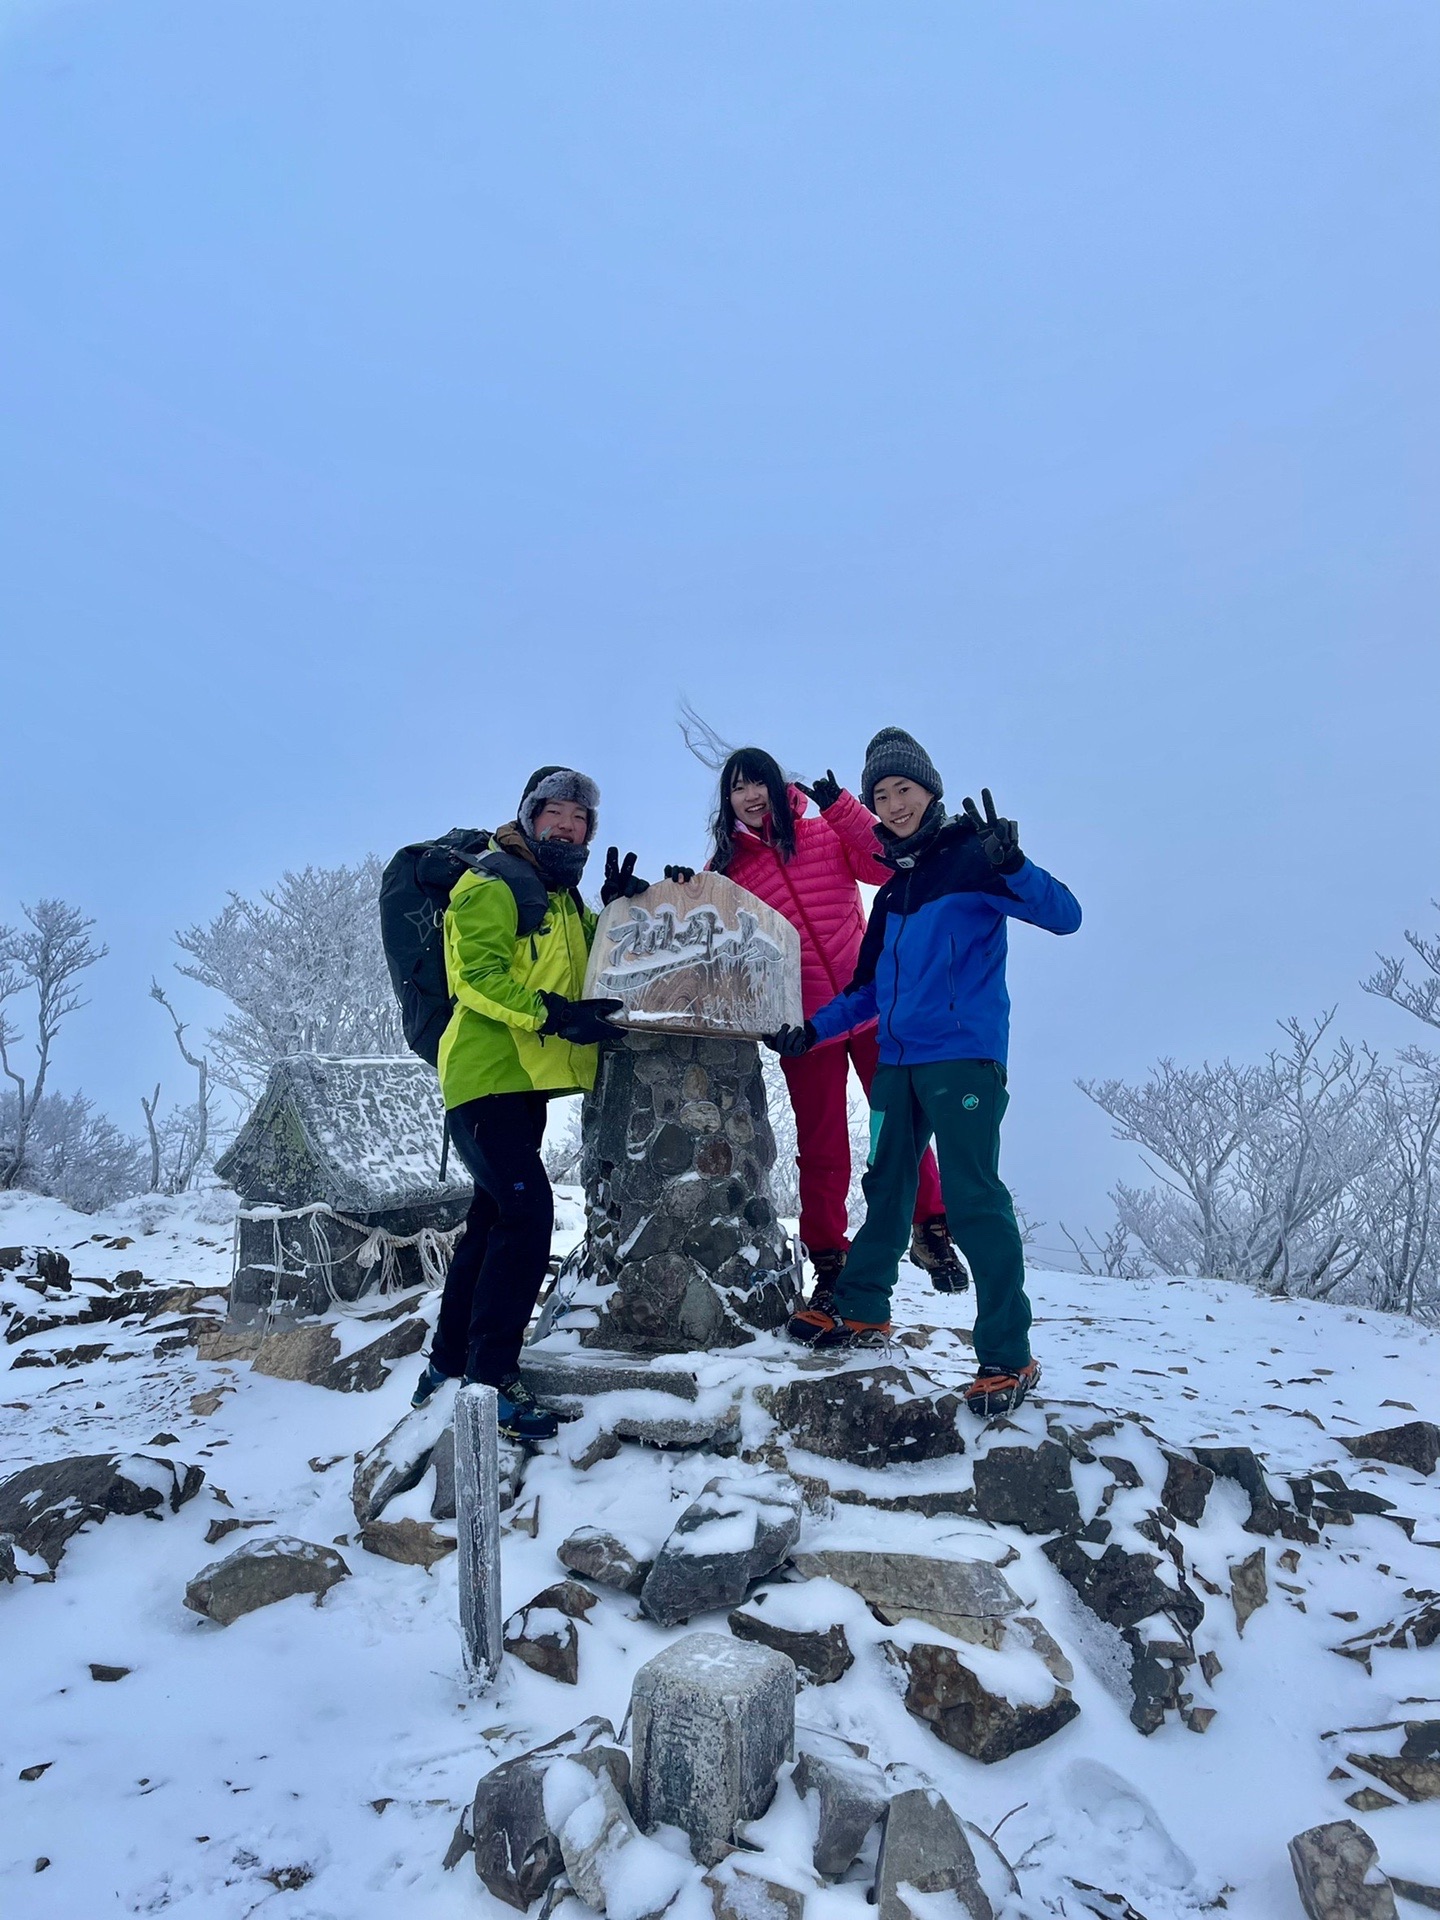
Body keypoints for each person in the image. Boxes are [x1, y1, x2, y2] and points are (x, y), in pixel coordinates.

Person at [766, 727, 1081, 1417]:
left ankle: (1007, 1353)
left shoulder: (974, 857)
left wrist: (1016, 864)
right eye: (880, 795)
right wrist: (809, 1031)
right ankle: (863, 1310)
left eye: (902, 789)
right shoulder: (892, 894)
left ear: (929, 789)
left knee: (971, 1198)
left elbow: (1066, 916)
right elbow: (868, 989)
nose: (893, 804)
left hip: (962, 1059)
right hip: (898, 1066)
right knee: (886, 1184)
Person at [676, 746, 963, 1303]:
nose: (751, 794)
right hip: (800, 1026)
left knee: (902, 1124)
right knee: (823, 1143)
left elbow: (887, 865)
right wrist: (679, 888)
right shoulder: (728, 870)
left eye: (758, 781)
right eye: (738, 787)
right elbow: (702, 934)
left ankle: (931, 1230)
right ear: (728, 800)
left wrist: (846, 812)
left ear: (778, 786)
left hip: (871, 1004)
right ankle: (829, 1256)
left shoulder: (825, 833)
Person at [412, 766, 647, 1438]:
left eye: (581, 819)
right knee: (527, 1217)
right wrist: (554, 1016)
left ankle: (448, 1362)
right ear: (531, 814)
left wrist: (614, 910)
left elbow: (572, 969)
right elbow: (477, 977)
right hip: (487, 1072)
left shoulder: (561, 895)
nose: (569, 826)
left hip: (518, 1080)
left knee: (491, 1221)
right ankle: (492, 1381)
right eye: (558, 813)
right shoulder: (492, 879)